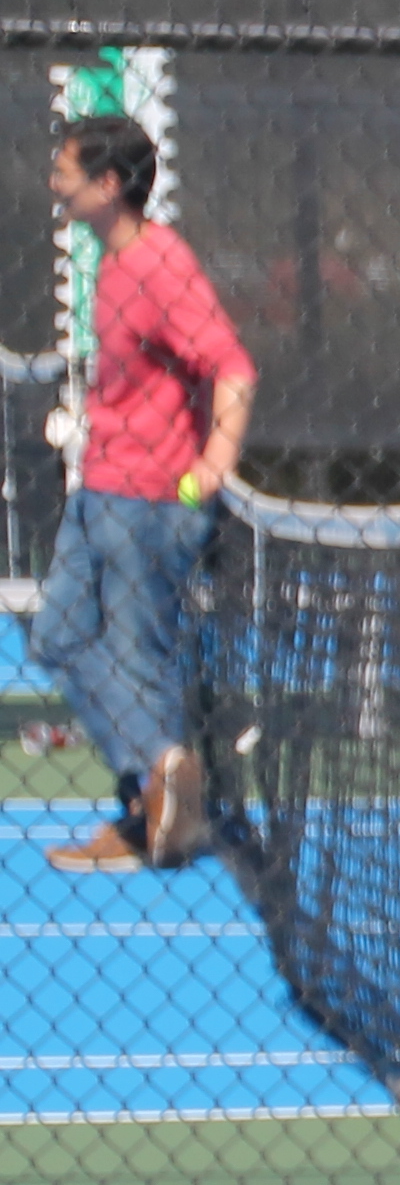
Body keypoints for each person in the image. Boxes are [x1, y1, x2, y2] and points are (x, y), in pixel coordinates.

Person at [33, 114, 251, 873]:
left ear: (108, 184)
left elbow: (231, 365)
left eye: (65, 172)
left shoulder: (161, 264)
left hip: (153, 501)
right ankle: (157, 783)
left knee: (137, 657)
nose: (54, 184)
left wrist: (214, 459)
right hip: (101, 488)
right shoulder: (113, 263)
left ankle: (152, 798)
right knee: (58, 633)